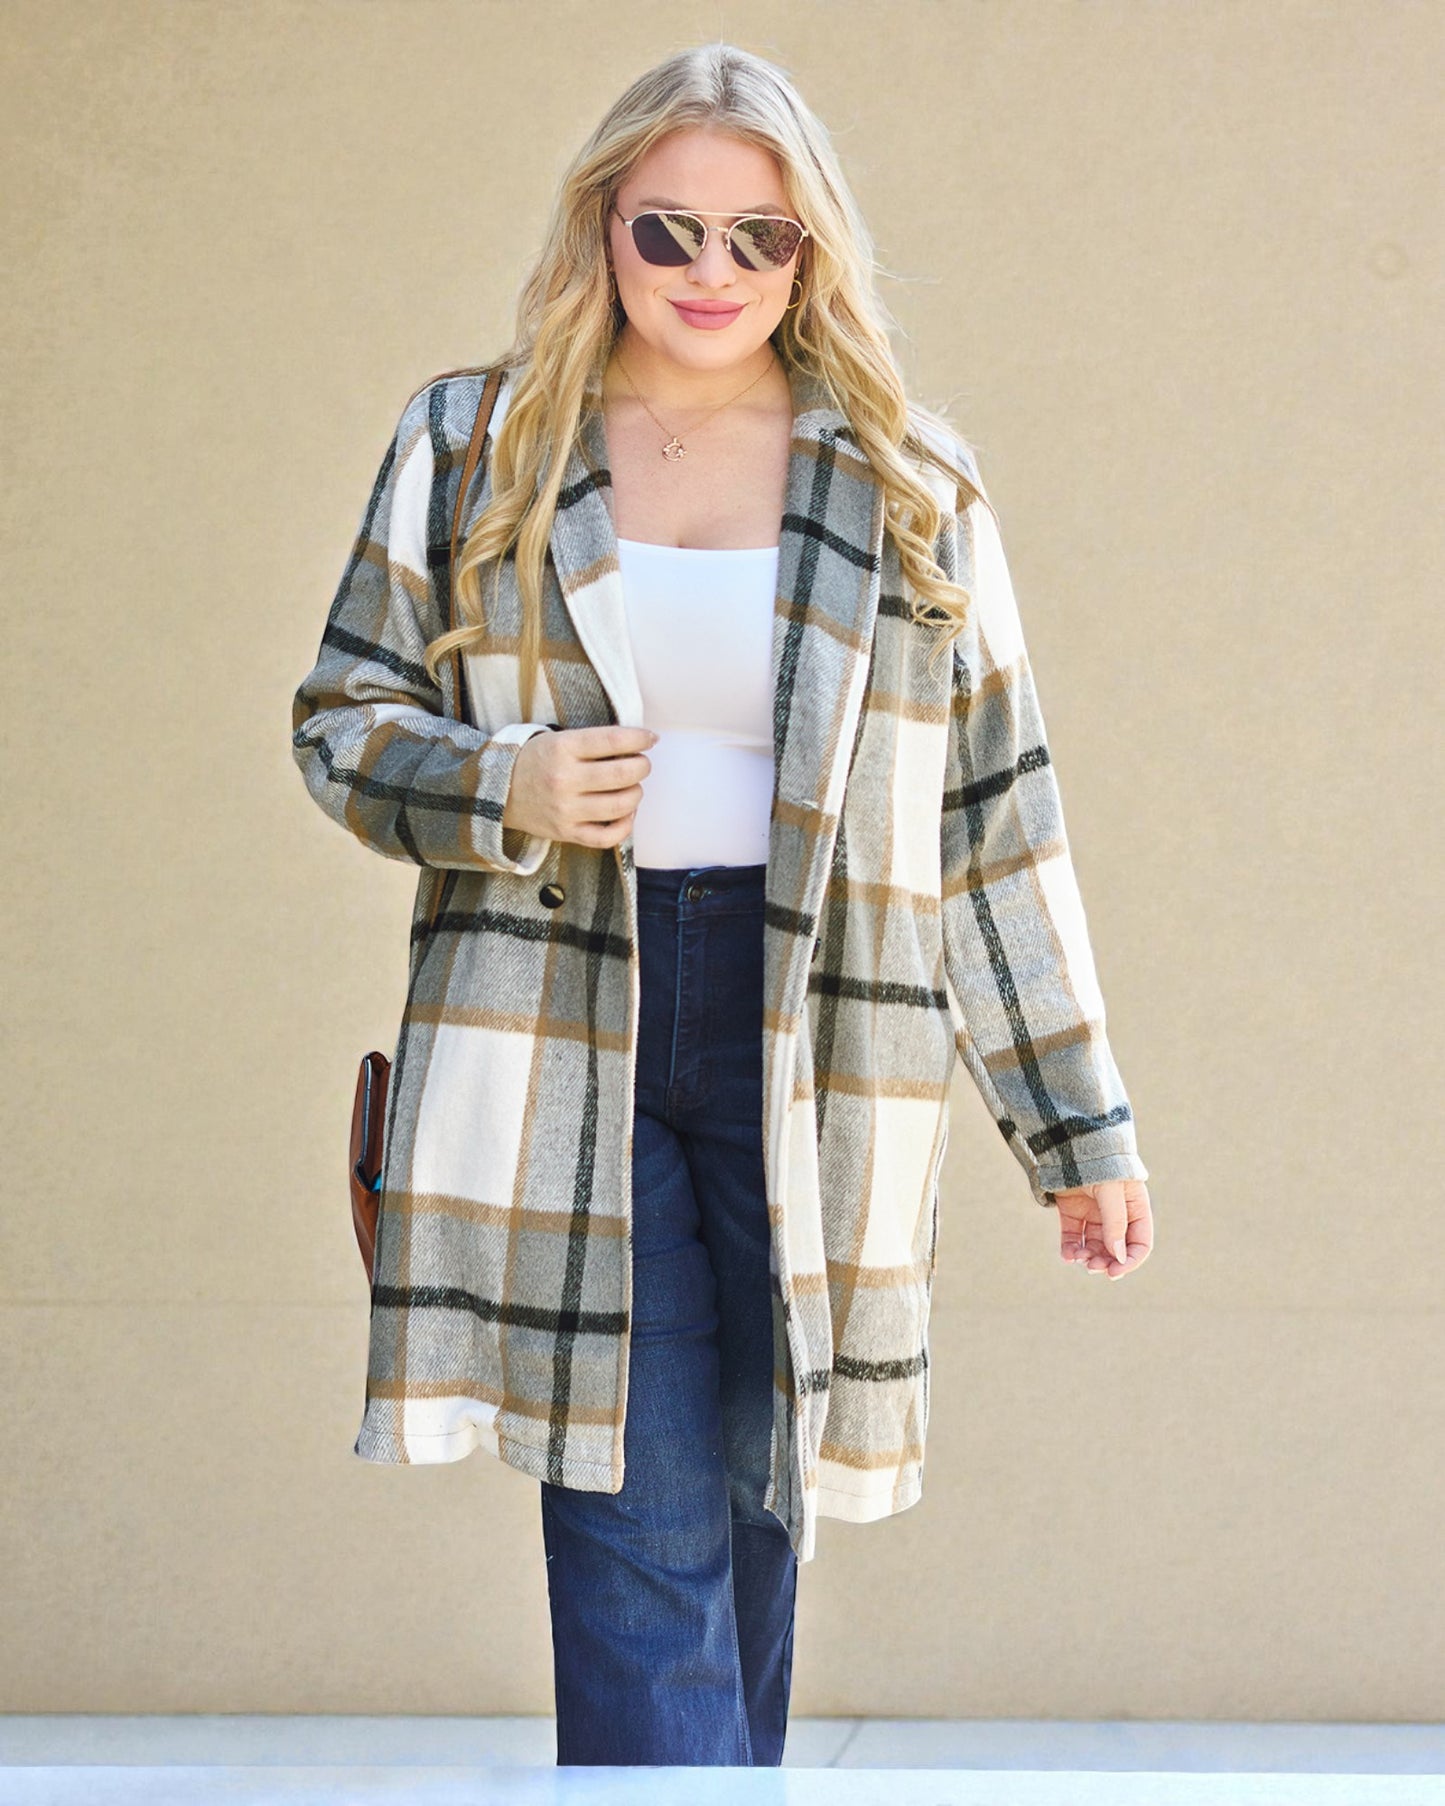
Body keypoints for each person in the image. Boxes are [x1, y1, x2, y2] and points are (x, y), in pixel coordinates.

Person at [290, 41, 1153, 1770]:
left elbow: (991, 823)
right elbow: (340, 719)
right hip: (561, 1020)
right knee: (638, 1508)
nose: (709, 276)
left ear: (812, 252)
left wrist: (1081, 1132)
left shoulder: (910, 483)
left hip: (820, 1033)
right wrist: (503, 784)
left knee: (759, 1502)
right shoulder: (476, 443)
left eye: (758, 240)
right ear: (601, 227)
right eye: (667, 232)